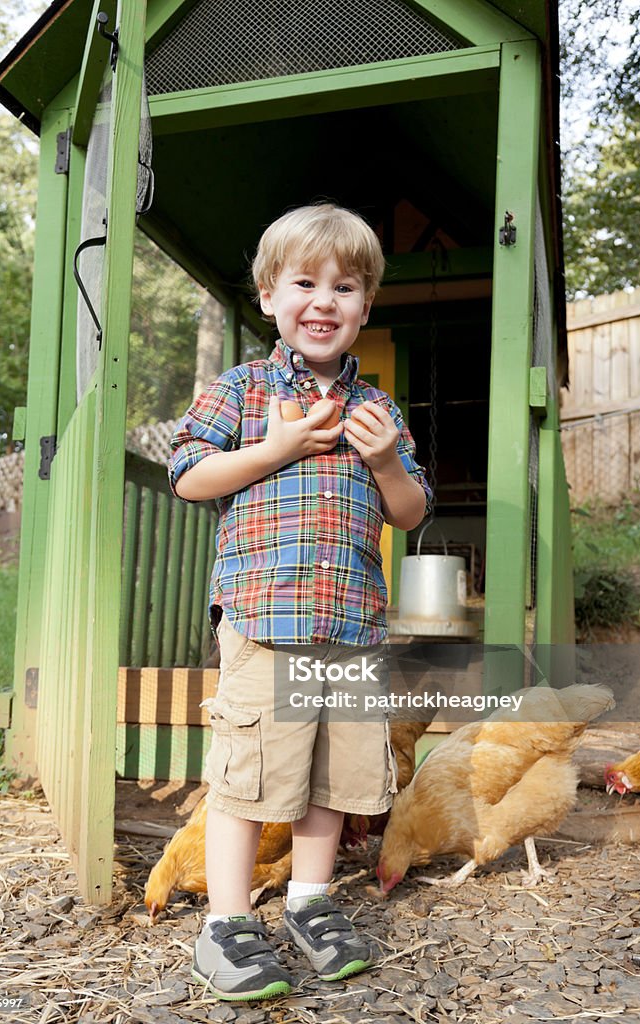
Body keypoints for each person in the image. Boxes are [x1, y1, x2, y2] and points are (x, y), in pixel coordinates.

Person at [168, 202, 432, 1001]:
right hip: (264, 620)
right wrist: (275, 448)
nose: (324, 300)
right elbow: (187, 473)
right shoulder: (242, 389)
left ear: (365, 305)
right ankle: (227, 924)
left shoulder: (377, 410)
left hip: (348, 626)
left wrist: (386, 462)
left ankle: (311, 905)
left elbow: (410, 510)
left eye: (345, 286)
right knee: (252, 775)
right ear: (268, 295)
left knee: (334, 773)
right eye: (305, 282)